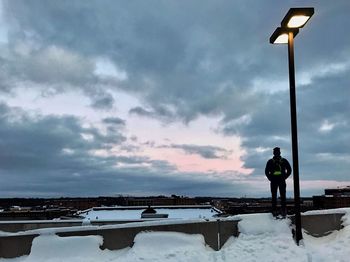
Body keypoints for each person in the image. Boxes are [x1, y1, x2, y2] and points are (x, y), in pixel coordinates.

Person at [265, 147, 292, 217]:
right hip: (280, 180)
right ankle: (282, 211)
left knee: (275, 196)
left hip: (275, 180)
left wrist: (270, 178)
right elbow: (289, 170)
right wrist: (284, 177)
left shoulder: (270, 161)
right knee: (282, 196)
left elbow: (266, 172)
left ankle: (275, 211)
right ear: (279, 153)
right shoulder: (283, 161)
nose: (276, 153)